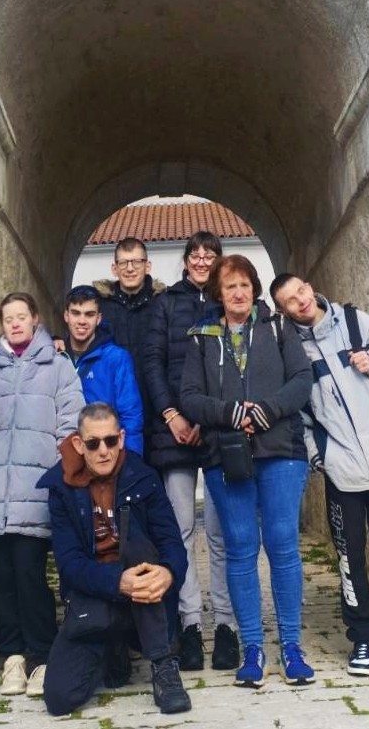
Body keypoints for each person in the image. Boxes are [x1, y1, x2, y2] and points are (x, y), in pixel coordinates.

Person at [269, 274, 369, 677]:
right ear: (283, 311)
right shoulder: (291, 350)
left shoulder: (354, 322)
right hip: (342, 475)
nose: (300, 301)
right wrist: (321, 458)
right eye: (289, 301)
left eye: (301, 291)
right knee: (350, 559)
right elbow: (296, 414)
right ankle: (363, 639)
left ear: (309, 287)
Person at [180, 255, 314, 689]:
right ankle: (253, 648)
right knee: (240, 549)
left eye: (244, 285)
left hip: (281, 450)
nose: (237, 293)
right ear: (217, 293)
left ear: (253, 289)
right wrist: (232, 413)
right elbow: (190, 396)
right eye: (229, 286)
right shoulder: (201, 338)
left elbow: (301, 379)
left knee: (282, 544)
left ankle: (291, 647)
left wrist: (267, 410)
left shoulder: (278, 327)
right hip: (227, 456)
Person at [0, 292, 85, 699]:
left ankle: (42, 657)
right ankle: (12, 657)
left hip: (33, 489)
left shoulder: (59, 368)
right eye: (8, 319)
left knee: (30, 577)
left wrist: (61, 474)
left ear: (35, 320)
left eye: (21, 317)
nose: (15, 324)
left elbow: (70, 425)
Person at [39, 402, 192, 717]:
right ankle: (111, 648)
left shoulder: (143, 476)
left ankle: (163, 664)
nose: (103, 451)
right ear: (79, 444)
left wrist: (168, 572)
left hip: (143, 593)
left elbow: (172, 543)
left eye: (110, 441)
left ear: (121, 438)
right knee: (59, 698)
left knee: (139, 549)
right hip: (95, 592)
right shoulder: (61, 487)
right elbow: (68, 563)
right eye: (93, 443)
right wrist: (116, 582)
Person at [142, 230, 238, 672]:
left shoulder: (226, 303)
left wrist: (207, 417)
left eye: (209, 254)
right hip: (174, 434)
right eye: (195, 254)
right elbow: (153, 362)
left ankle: (226, 626)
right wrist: (172, 416)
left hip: (217, 431)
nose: (201, 260)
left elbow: (235, 367)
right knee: (180, 531)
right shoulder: (165, 304)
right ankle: (189, 624)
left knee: (220, 533)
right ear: (185, 261)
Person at [63, 284, 145, 455]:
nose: (82, 321)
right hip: (66, 453)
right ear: (66, 316)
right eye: (76, 313)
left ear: (99, 318)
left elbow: (131, 415)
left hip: (104, 452)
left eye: (89, 314)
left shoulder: (116, 358)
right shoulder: (55, 355)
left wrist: (131, 459)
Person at [94, 237, 166, 391]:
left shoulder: (163, 303)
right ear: (114, 268)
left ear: (147, 266)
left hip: (155, 395)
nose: (130, 268)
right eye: (123, 262)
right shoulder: (101, 305)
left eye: (136, 262)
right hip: (113, 393)